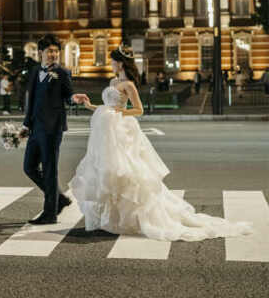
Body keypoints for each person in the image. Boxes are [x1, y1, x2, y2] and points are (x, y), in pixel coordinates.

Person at [70, 44, 253, 241]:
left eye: (113, 60)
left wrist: (118, 112)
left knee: (126, 173)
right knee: (108, 173)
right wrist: (90, 106)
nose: (111, 64)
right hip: (108, 133)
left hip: (121, 133)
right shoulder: (113, 81)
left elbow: (138, 110)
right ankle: (111, 219)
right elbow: (107, 107)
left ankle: (125, 218)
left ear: (121, 63)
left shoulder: (128, 85)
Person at [20, 34, 77, 225]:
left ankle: (50, 213)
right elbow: (32, 100)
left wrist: (74, 99)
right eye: (49, 51)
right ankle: (59, 199)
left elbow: (69, 96)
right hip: (36, 128)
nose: (53, 54)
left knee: (50, 170)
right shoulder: (36, 72)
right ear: (41, 53)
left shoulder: (62, 73)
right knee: (29, 167)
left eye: (55, 51)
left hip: (53, 129)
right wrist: (26, 125)